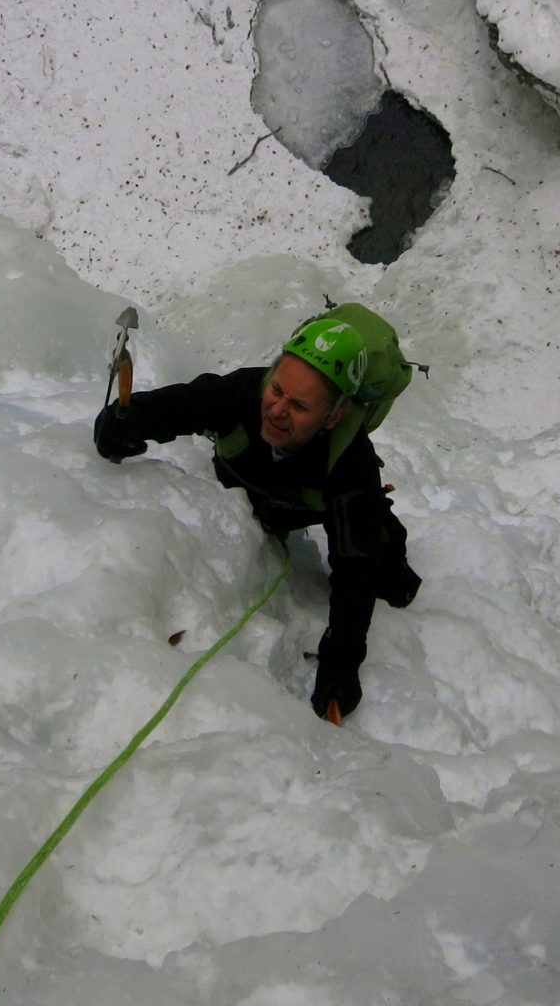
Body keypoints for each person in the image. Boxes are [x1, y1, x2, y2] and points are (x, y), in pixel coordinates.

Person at [92, 308, 420, 721]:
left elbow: (355, 567)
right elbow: (180, 405)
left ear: (333, 416)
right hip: (250, 482)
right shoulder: (245, 391)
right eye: (277, 389)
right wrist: (120, 422)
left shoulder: (350, 466)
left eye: (299, 405)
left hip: (305, 503)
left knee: (392, 580)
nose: (277, 410)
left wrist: (342, 660)